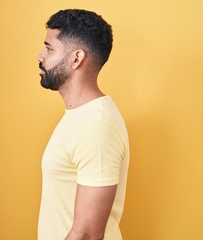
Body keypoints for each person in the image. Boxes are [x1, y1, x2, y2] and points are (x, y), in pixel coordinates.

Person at [37, 9, 130, 240]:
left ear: (76, 58)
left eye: (49, 48)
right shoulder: (80, 116)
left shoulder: (96, 125)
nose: (40, 56)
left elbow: (87, 235)